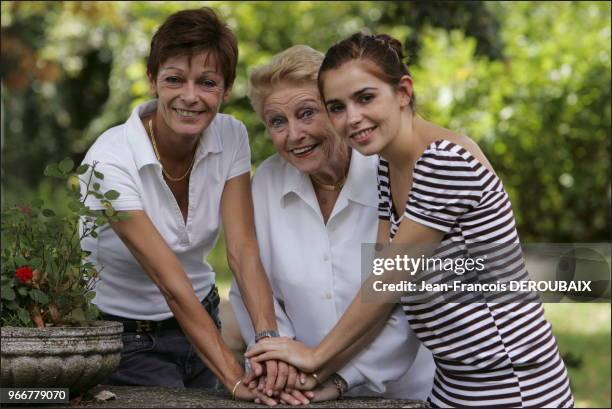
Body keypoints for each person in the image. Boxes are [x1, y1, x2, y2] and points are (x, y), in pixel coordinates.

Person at [246, 33, 575, 408]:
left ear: (403, 92)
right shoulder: (388, 166)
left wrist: (313, 357)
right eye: (337, 106)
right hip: (452, 384)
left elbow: (391, 277)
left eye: (365, 98)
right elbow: (378, 283)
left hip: (511, 386)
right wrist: (330, 381)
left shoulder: (444, 162)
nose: (352, 118)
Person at [80, 8, 284, 404]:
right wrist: (235, 376)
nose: (190, 97)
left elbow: (241, 250)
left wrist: (267, 342)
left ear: (225, 90)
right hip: (128, 337)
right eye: (175, 79)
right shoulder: (108, 163)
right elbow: (170, 284)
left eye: (207, 82)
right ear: (153, 80)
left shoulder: (231, 134)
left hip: (204, 315)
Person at [229, 45, 434, 406]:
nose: (294, 135)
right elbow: (250, 284)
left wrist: (337, 378)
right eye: (278, 122)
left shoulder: (393, 176)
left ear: (337, 110)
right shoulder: (266, 183)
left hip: (405, 394)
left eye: (307, 113)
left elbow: (406, 303)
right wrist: (281, 362)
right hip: (301, 394)